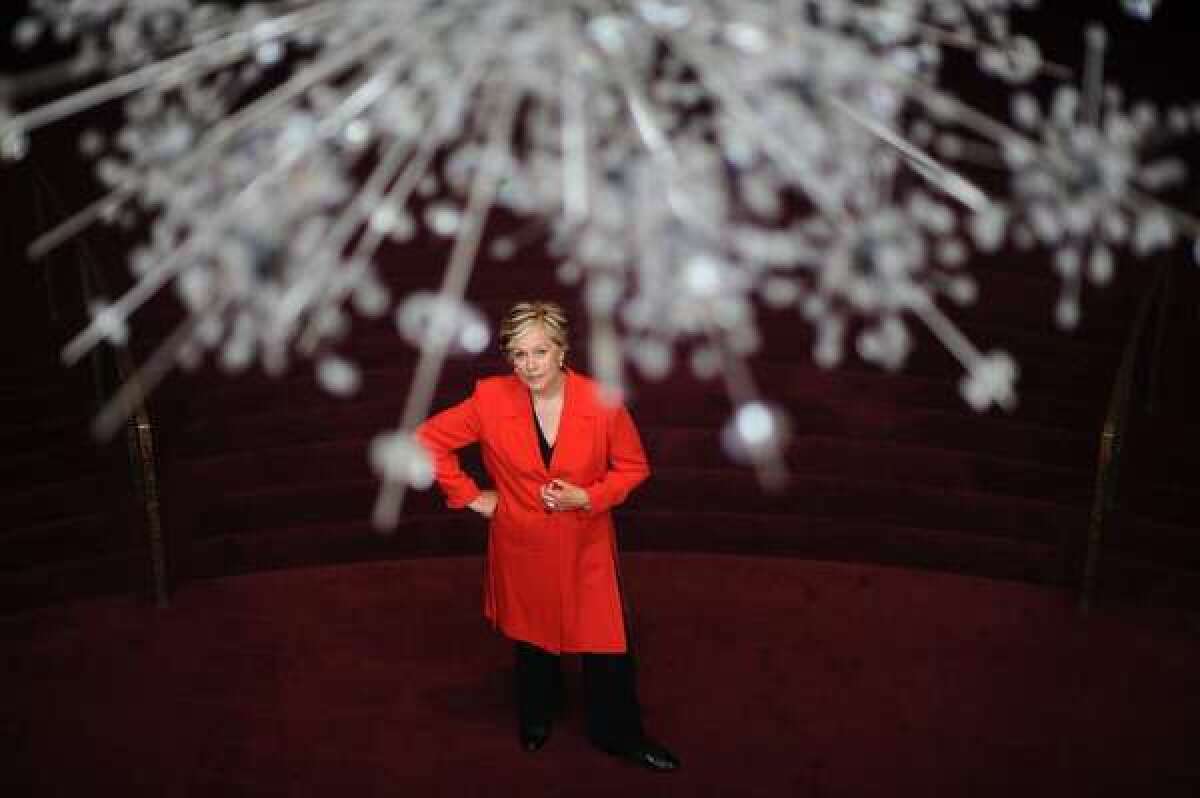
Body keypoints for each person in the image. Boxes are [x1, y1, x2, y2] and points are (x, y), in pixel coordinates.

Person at [415, 300, 679, 772]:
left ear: (561, 352)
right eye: (518, 355)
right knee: (532, 638)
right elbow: (428, 440)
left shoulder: (603, 402)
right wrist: (471, 497)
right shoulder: (489, 399)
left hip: (586, 542)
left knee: (606, 645)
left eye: (539, 352)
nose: (529, 366)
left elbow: (634, 468)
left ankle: (618, 733)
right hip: (521, 543)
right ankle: (537, 714)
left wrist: (590, 497)